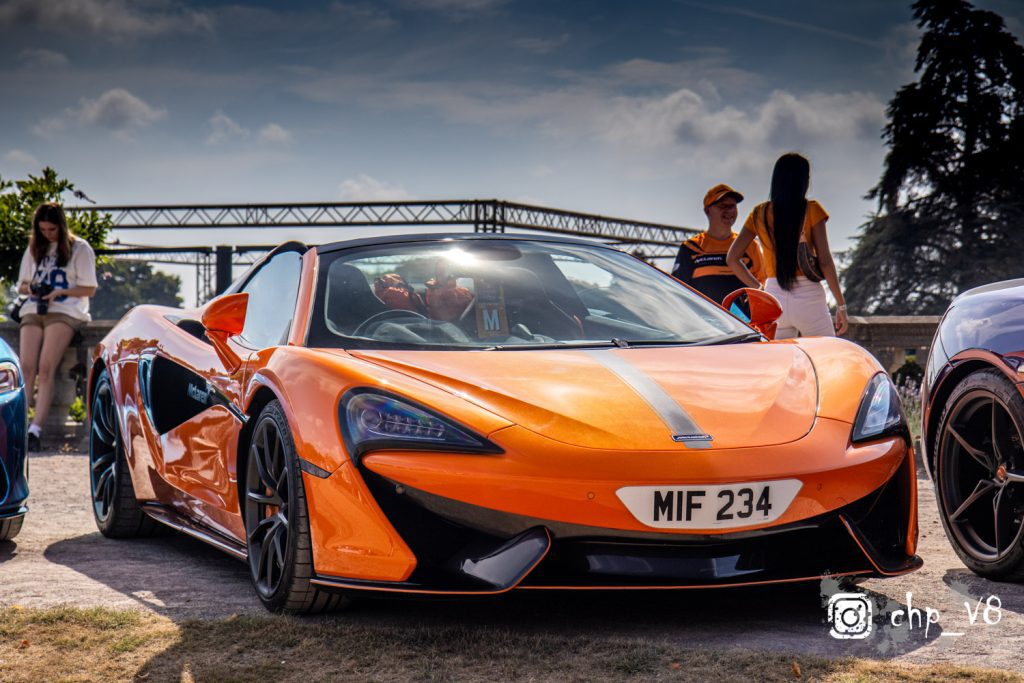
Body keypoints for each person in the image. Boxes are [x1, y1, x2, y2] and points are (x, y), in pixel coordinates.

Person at [726, 152, 847, 338]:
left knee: (781, 362)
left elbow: (732, 258)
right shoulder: (812, 210)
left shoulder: (759, 213)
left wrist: (760, 289)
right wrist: (841, 304)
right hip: (809, 299)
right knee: (825, 358)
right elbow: (825, 261)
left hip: (774, 296)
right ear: (803, 181)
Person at [17, 202, 98, 451]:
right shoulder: (35, 248)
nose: (47, 234)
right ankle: (18, 426)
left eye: (52, 229)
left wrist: (60, 291)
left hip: (65, 310)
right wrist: (32, 289)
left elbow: (90, 288)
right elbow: (21, 285)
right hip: (34, 308)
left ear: (61, 227)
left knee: (46, 366)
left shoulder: (80, 248)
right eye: (42, 229)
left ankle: (35, 430)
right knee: (26, 367)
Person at [671, 183, 765, 304]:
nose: (729, 210)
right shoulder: (691, 247)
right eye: (722, 206)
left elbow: (763, 286)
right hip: (703, 320)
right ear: (707, 211)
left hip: (743, 322)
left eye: (732, 206)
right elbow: (678, 289)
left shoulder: (750, 246)